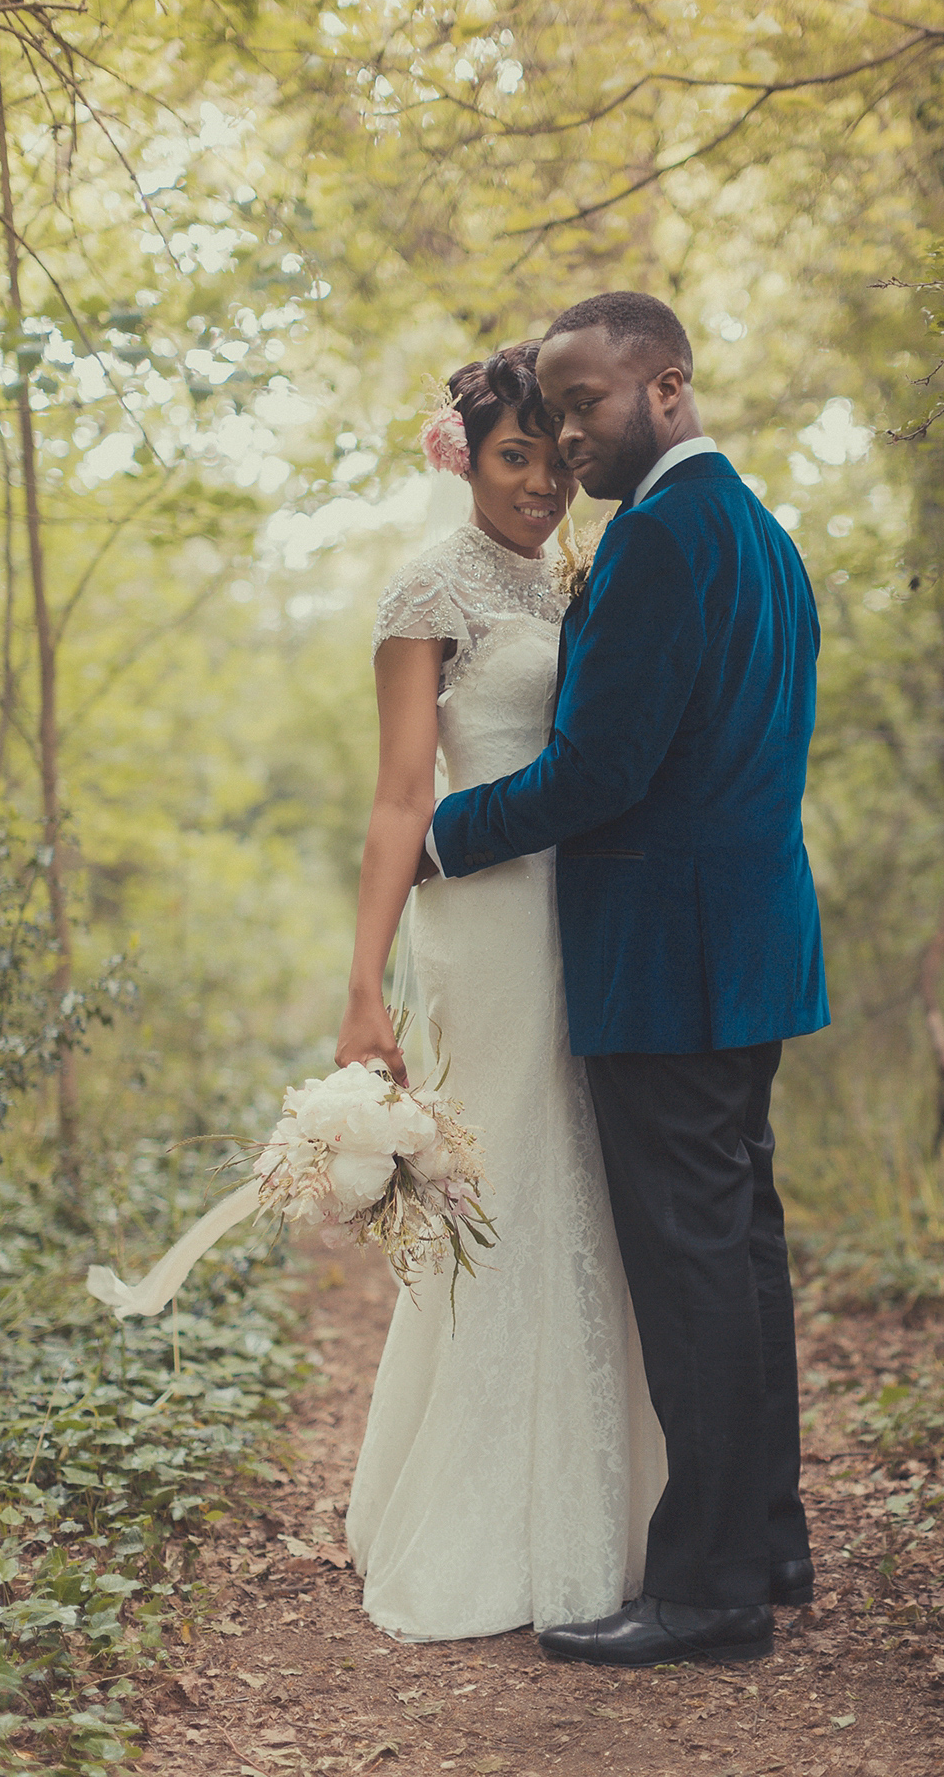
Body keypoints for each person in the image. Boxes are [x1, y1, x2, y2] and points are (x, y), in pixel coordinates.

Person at [425, 292, 829, 1667]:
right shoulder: (762, 535)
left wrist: (447, 834)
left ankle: (709, 1590)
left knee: (694, 1267)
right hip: (753, 946)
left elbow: (603, 773)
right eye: (553, 409)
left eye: (587, 402)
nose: (571, 434)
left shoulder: (661, 540)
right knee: (745, 1254)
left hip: (670, 958)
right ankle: (767, 1539)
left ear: (666, 385)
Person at [338, 342, 665, 1642]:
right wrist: (363, 986)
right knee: (501, 1183)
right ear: (462, 454)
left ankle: (603, 1503)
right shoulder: (428, 591)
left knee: (578, 1180)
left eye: (558, 455)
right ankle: (480, 1519)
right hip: (480, 926)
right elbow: (401, 800)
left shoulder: (577, 578)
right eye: (514, 455)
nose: (541, 482)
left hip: (582, 920)